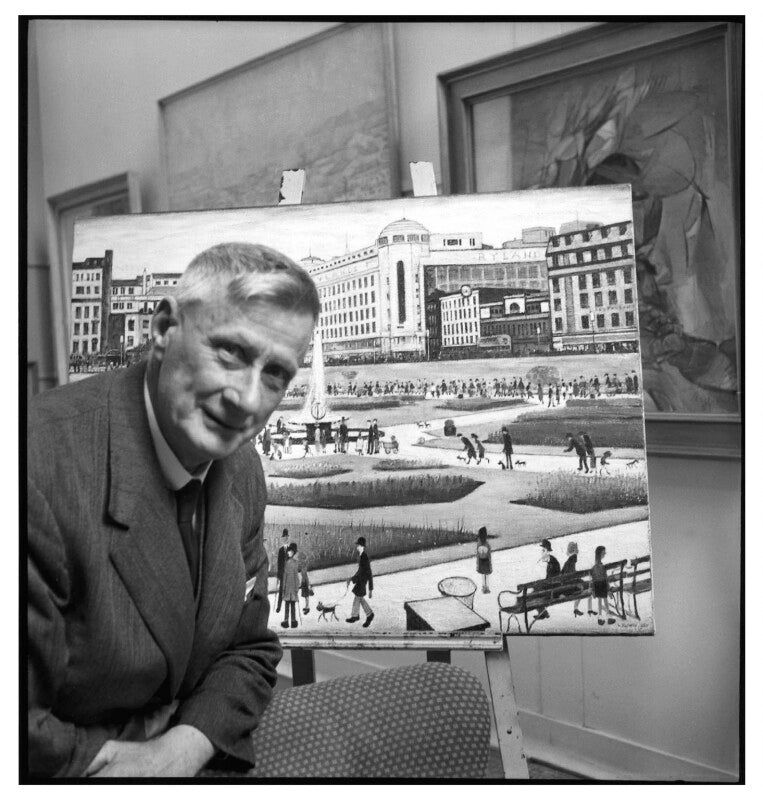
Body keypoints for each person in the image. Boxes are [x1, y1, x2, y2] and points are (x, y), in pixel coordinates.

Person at [27, 242, 319, 777]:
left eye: (276, 373)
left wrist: (181, 748)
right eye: (231, 351)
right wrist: (118, 757)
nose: (249, 400)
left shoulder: (242, 468)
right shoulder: (35, 468)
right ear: (164, 328)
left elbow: (249, 650)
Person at [346, 537, 374, 627]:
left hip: (362, 582)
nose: (357, 547)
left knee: (358, 597)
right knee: (359, 598)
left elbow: (368, 572)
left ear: (362, 546)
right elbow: (359, 571)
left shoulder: (364, 557)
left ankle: (357, 616)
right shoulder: (362, 556)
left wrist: (370, 589)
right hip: (360, 581)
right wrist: (352, 579)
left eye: (358, 545)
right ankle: (367, 615)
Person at [561, 541, 592, 617]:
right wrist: (578, 581)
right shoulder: (572, 559)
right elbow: (571, 575)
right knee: (587, 586)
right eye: (576, 549)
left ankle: (577, 608)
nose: (578, 552)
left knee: (586, 586)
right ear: (574, 550)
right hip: (569, 587)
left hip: (565, 586)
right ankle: (585, 609)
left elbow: (568, 574)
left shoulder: (569, 561)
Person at [533, 539, 560, 622]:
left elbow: (552, 579)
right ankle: (543, 612)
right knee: (535, 590)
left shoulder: (553, 563)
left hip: (553, 590)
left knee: (535, 593)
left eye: (543, 550)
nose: (542, 553)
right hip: (553, 587)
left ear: (548, 552)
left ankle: (543, 612)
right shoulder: (551, 562)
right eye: (542, 550)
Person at [592, 545, 616, 625]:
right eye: (603, 553)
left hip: (597, 585)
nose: (605, 554)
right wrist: (608, 589)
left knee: (600, 600)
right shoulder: (601, 566)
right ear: (599, 554)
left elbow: (594, 579)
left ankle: (601, 617)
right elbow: (605, 578)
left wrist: (593, 590)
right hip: (602, 584)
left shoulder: (595, 566)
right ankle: (607, 617)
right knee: (604, 600)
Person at [276, 528, 291, 614]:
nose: (286, 538)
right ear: (283, 539)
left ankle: (287, 608)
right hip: (282, 574)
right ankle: (279, 606)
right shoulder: (281, 550)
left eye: (287, 537)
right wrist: (278, 575)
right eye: (284, 537)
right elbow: (279, 563)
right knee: (281, 590)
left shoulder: (291, 550)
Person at [298, 532, 313, 615]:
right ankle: (307, 606)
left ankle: (307, 607)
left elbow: (305, 576)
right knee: (305, 595)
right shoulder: (303, 567)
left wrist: (308, 584)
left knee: (306, 595)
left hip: (305, 582)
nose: (300, 562)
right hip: (304, 582)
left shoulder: (304, 567)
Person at [475, 527, 492, 594]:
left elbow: (477, 554)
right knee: (486, 574)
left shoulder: (478, 544)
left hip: (481, 560)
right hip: (486, 560)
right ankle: (486, 587)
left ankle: (484, 587)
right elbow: (489, 555)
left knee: (483, 574)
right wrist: (490, 564)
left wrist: (477, 563)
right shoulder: (487, 544)